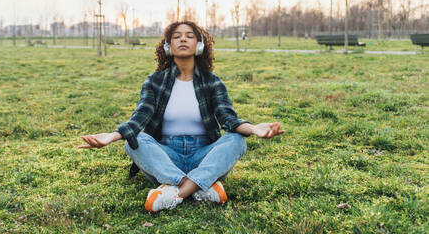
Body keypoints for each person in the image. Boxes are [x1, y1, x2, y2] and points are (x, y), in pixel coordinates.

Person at [78, 21, 285, 212]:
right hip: (167, 157)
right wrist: (112, 135)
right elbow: (139, 118)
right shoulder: (155, 82)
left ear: (200, 45)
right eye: (177, 36)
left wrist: (255, 128)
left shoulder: (212, 82)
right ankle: (201, 186)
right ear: (168, 46)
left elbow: (229, 120)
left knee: (237, 140)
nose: (183, 39)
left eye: (189, 36)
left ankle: (176, 192)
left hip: (203, 154)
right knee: (134, 141)